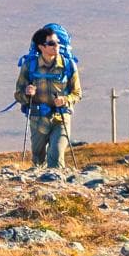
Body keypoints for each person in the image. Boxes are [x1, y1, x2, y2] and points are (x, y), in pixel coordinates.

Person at [14, 23, 81, 169]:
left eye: (57, 42)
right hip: (38, 120)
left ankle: (58, 187)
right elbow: (18, 94)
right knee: (38, 160)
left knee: (56, 156)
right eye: (51, 43)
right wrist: (27, 93)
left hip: (61, 118)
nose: (56, 46)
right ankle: (40, 188)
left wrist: (65, 100)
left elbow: (77, 93)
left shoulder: (68, 65)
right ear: (41, 47)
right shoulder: (29, 66)